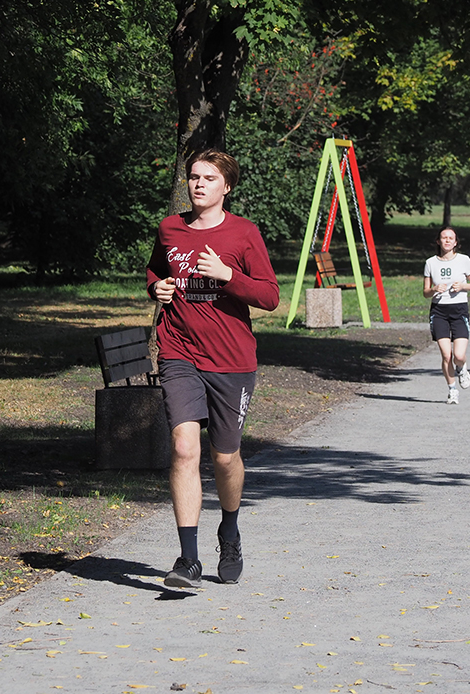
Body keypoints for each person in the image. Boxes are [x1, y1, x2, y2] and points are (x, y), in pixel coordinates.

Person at [146, 149, 279, 589]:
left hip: (232, 360)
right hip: (179, 352)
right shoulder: (171, 228)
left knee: (225, 456)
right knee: (185, 449)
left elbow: (269, 297)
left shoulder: (244, 233)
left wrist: (227, 275)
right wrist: (158, 287)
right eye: (193, 176)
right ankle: (188, 560)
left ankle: (230, 528)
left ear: (227, 187)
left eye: (208, 178)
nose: (198, 184)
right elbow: (155, 270)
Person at [423, 227, 470, 404]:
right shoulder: (430, 263)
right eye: (444, 238)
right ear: (438, 241)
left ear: (456, 242)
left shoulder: (464, 260)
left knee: (459, 355)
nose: (447, 241)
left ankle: (462, 368)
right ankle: (452, 389)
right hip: (439, 311)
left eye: (451, 238)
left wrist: (463, 286)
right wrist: (433, 289)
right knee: (446, 355)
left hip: (459, 310)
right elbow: (425, 292)